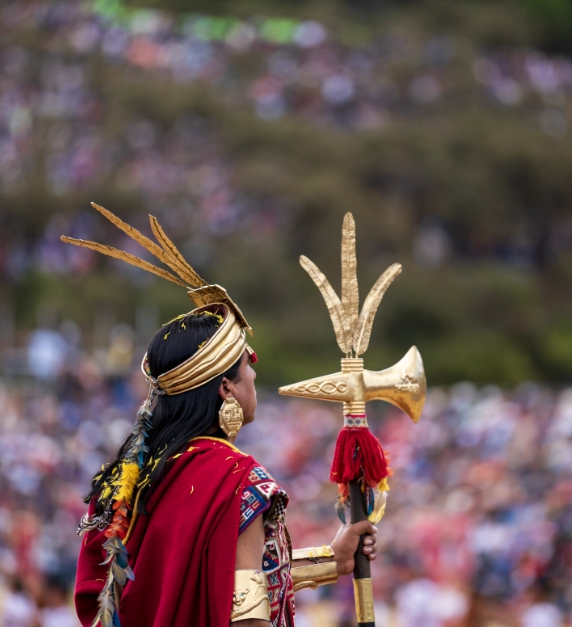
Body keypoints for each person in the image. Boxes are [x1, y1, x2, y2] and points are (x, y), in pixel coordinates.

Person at [64, 205, 378, 627]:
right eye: (247, 365)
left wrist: (331, 559)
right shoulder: (236, 480)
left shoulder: (124, 479)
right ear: (226, 389)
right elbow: (244, 613)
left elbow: (204, 584)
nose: (254, 374)